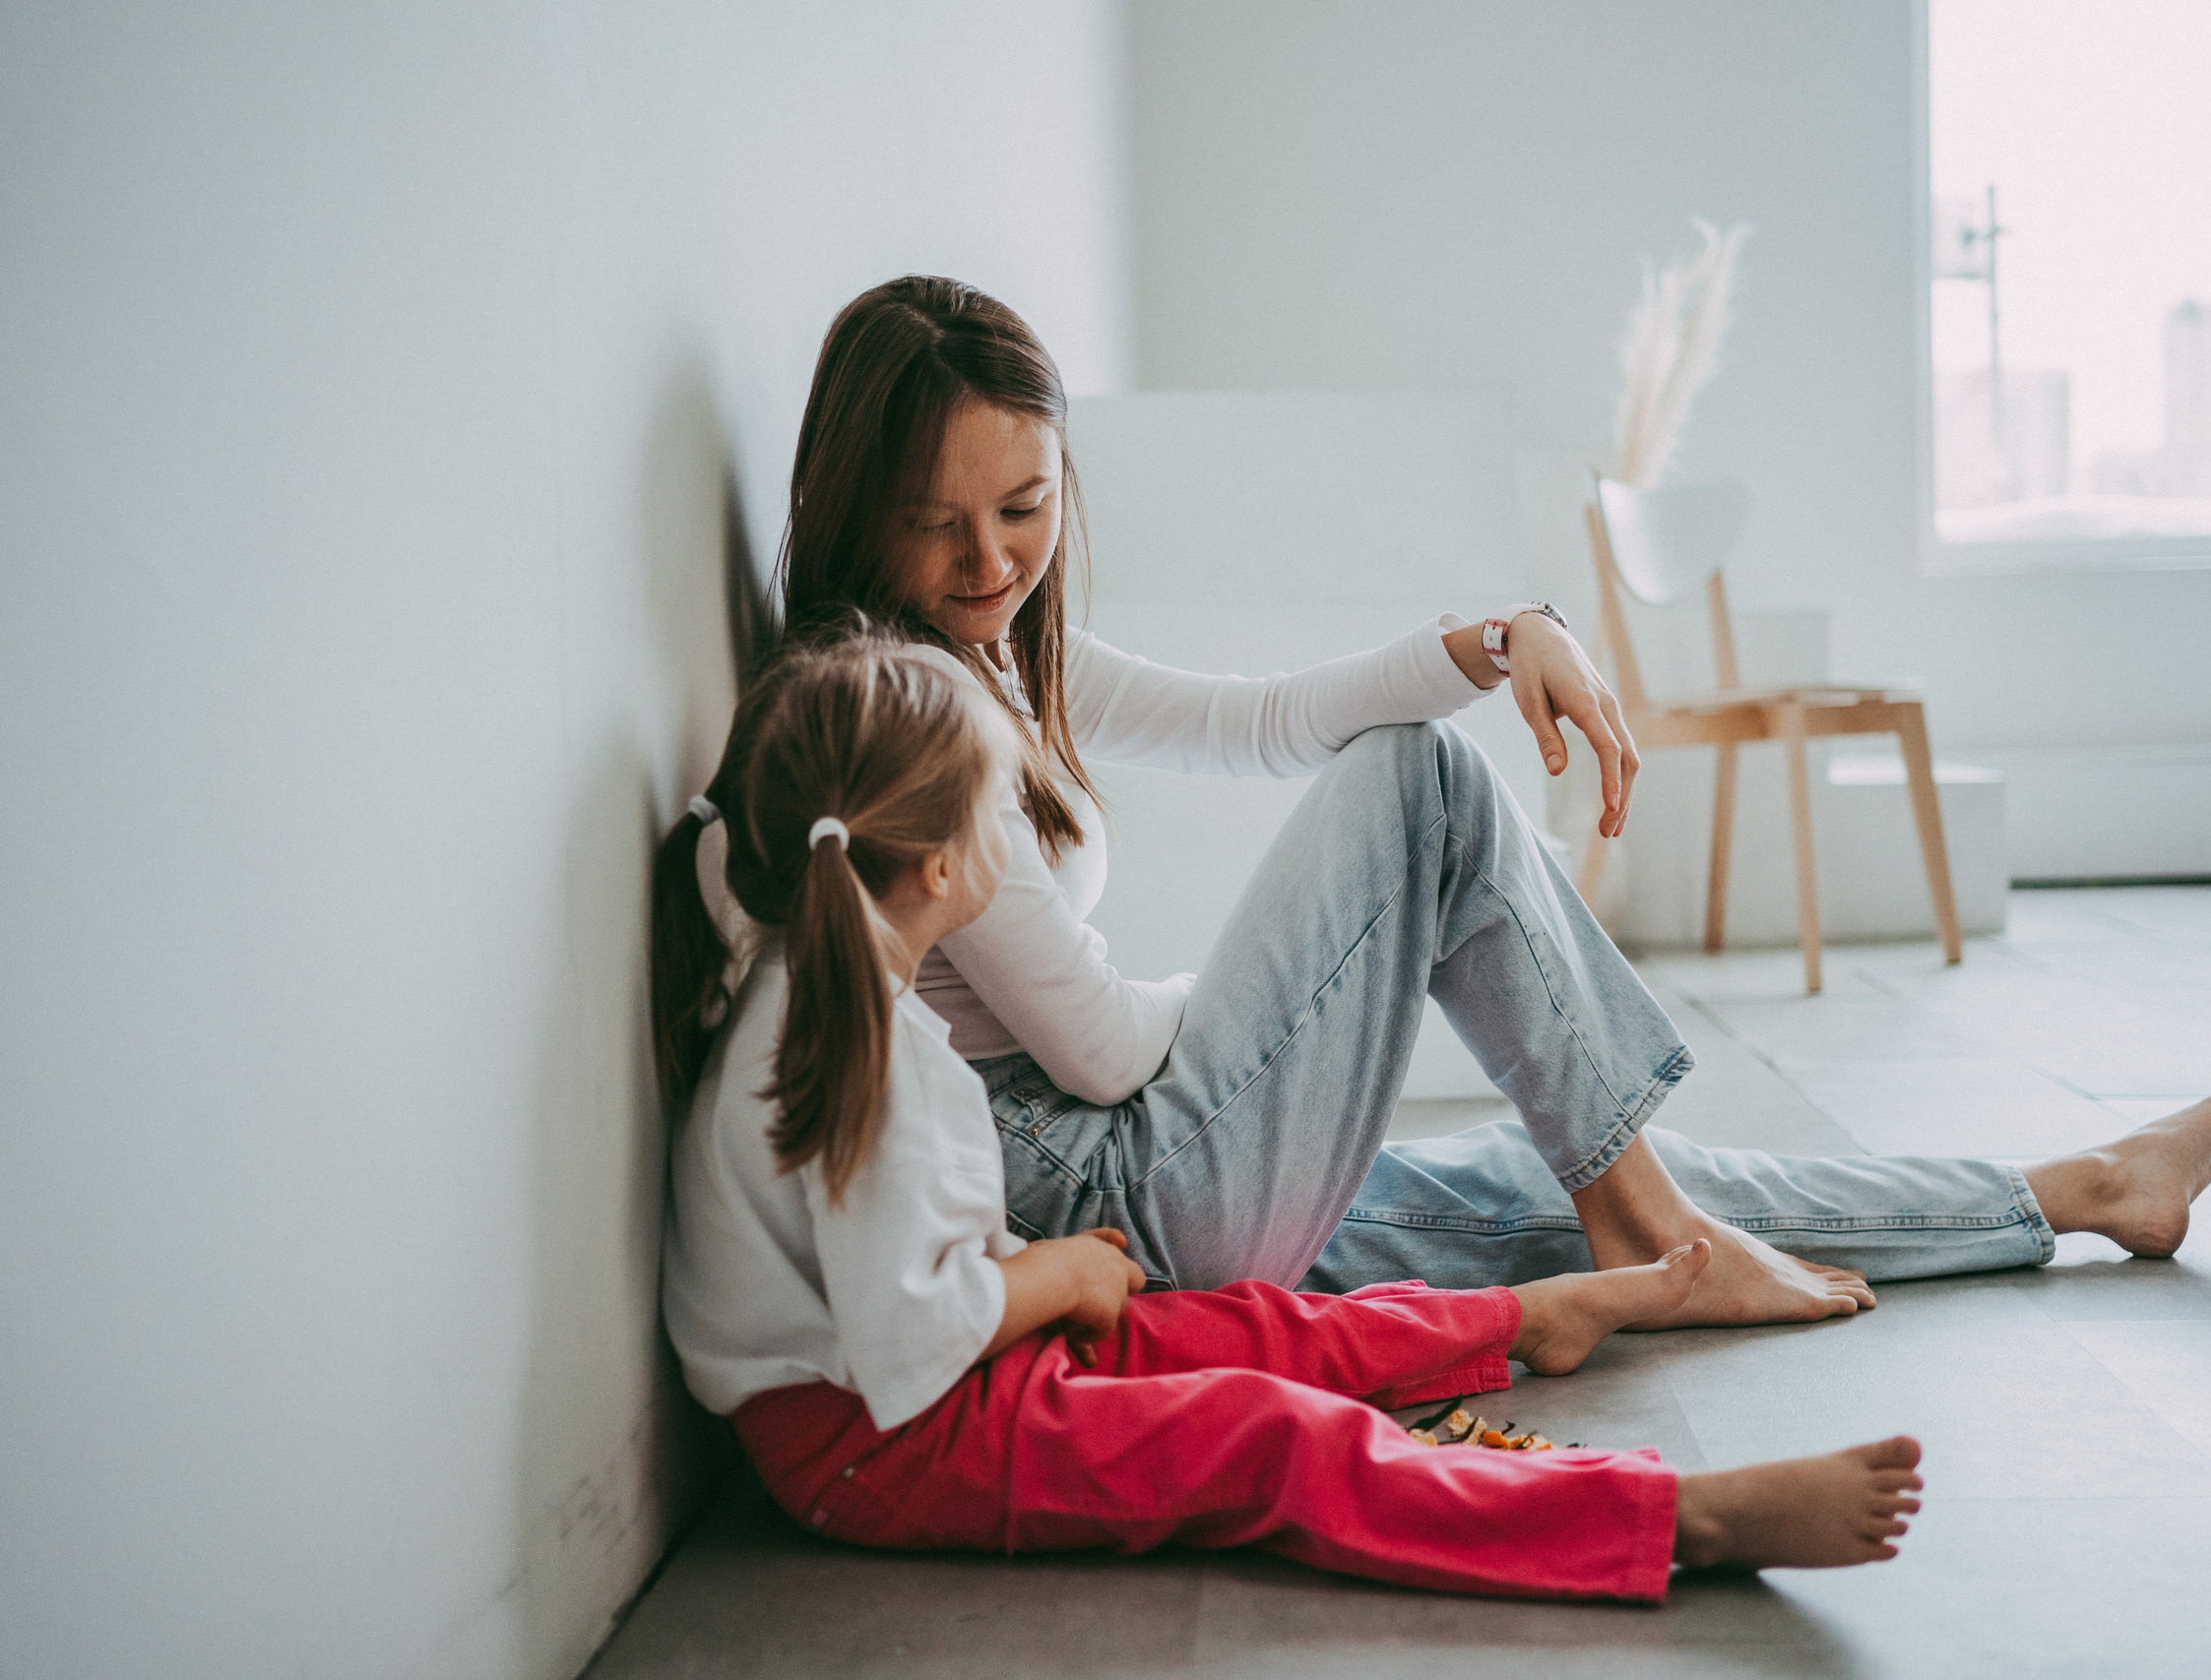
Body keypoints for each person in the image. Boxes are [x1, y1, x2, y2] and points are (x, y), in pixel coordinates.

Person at [760, 273, 2211, 1325]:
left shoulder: (996, 657)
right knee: (1422, 786)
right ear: (853, 511)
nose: (988, 562)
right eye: (934, 525)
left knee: (1556, 1175)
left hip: (1146, 1170)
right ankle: (1656, 1217)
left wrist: (1502, 637)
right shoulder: (910, 716)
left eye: (1023, 510)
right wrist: (1283, 990)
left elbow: (1263, 724)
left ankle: (2074, 1192)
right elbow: (1093, 1053)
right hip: (1114, 1196)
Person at [652, 628, 1927, 1600]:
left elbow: (904, 1296)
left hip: (916, 1384)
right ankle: (1675, 1520)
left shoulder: (817, 986)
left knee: (1251, 1322)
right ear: (937, 867)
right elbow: (910, 1345)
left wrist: (1051, 1282)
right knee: (1267, 1438)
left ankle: (1523, 1317)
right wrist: (1050, 1280)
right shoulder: (860, 1054)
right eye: (1001, 816)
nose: (1015, 842)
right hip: (884, 1444)